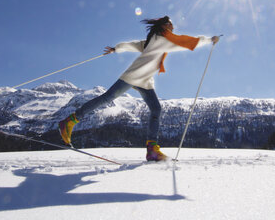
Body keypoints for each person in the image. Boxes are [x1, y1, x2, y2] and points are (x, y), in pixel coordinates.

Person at [58, 16, 220, 161]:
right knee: (107, 98)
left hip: (145, 80)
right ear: (163, 26)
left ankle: (152, 150)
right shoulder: (164, 39)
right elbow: (185, 41)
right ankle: (70, 121)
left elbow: (135, 44)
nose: (173, 28)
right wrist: (208, 40)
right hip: (135, 75)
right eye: (170, 25)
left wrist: (117, 48)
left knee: (156, 109)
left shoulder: (154, 40)